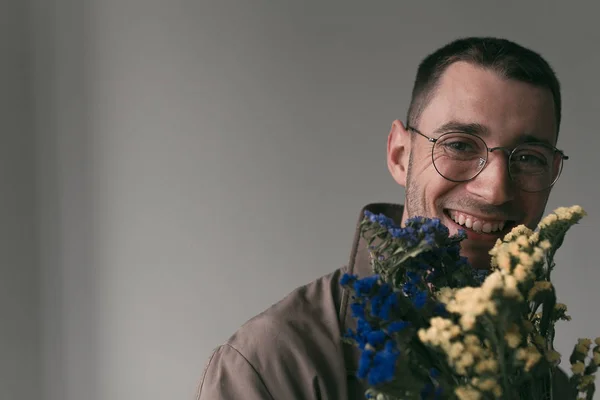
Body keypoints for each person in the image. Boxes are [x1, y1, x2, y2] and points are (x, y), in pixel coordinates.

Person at [196, 37, 573, 399]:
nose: (495, 190)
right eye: (459, 145)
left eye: (528, 158)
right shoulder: (271, 366)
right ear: (399, 154)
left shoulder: (546, 385)